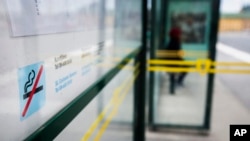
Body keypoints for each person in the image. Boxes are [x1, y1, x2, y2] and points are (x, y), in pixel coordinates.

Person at [164, 25, 187, 94]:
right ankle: (178, 82)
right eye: (179, 34)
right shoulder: (176, 43)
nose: (180, 36)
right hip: (173, 64)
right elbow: (178, 55)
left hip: (170, 63)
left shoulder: (171, 41)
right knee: (185, 68)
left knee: (185, 67)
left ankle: (175, 82)